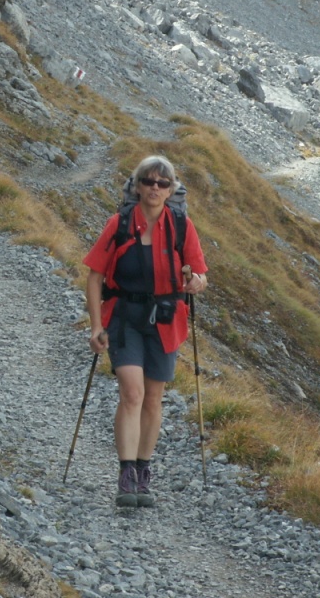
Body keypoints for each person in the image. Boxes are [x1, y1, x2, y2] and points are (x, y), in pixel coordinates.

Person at [83, 155, 208, 508]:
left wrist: (196, 282)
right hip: (124, 318)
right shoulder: (119, 224)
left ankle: (142, 470)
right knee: (132, 394)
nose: (155, 188)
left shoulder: (181, 226)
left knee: (153, 398)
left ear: (170, 190)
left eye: (162, 183)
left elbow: (200, 274)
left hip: (166, 319)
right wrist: (96, 326)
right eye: (148, 181)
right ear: (137, 186)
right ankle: (126, 474)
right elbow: (94, 276)